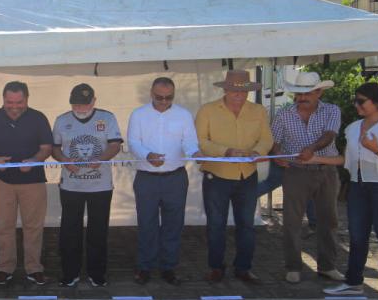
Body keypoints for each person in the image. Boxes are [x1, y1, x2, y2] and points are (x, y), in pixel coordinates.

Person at [319, 83, 378, 299]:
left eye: (361, 101)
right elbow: (346, 159)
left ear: (376, 103)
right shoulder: (353, 128)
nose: (356, 105)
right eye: (356, 100)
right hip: (358, 185)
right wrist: (315, 159)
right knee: (357, 236)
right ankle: (353, 282)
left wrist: (375, 149)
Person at [195, 70, 273, 284]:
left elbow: (267, 138)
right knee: (216, 224)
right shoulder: (208, 110)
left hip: (247, 175)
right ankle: (216, 267)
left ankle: (243, 268)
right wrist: (226, 151)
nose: (239, 95)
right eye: (234, 90)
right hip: (216, 175)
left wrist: (258, 152)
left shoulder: (258, 111)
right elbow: (200, 141)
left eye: (243, 91)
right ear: (225, 90)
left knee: (247, 225)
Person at [270, 71, 345, 284]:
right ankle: (293, 266)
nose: (302, 98)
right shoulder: (284, 114)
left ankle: (328, 266)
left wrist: (311, 149)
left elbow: (330, 135)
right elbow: (274, 139)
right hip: (295, 171)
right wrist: (277, 155)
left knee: (328, 220)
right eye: (299, 93)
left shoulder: (331, 110)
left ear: (319, 92)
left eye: (307, 94)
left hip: (325, 171)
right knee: (292, 221)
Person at [0, 81, 54, 285]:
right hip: (2, 181)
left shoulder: (38, 118)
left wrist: (35, 160)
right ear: (3, 99)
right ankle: (5, 267)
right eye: (9, 102)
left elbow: (46, 147)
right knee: (3, 226)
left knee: (33, 227)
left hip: (33, 181)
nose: (14, 106)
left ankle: (34, 267)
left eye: (19, 102)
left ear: (27, 99)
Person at [126, 77, 199, 286]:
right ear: (151, 93)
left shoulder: (183, 115)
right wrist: (147, 155)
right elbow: (133, 142)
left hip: (175, 178)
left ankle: (169, 267)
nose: (164, 101)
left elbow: (190, 141)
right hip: (147, 178)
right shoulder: (139, 114)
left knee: (173, 225)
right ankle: (144, 266)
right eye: (159, 98)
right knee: (147, 224)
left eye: (169, 98)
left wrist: (196, 152)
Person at [52, 84, 123, 288]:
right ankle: (69, 273)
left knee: (98, 231)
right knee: (69, 231)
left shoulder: (107, 118)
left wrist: (100, 158)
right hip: (71, 186)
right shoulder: (62, 120)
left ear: (93, 101)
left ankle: (97, 273)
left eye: (84, 104)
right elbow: (55, 148)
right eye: (75, 104)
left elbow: (115, 145)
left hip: (100, 186)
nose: (80, 108)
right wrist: (65, 160)